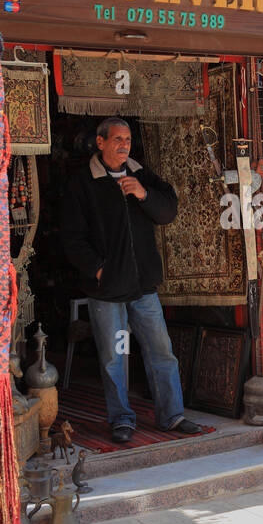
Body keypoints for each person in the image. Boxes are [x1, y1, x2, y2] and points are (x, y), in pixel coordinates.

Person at [60, 117, 204, 443]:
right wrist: (100, 270)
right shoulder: (84, 184)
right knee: (116, 356)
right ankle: (122, 418)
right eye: (116, 139)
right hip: (108, 291)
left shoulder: (141, 174)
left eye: (127, 139)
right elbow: (72, 239)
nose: (123, 145)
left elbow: (167, 211)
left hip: (143, 289)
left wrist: (143, 194)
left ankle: (172, 415)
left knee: (161, 351)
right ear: (100, 143)